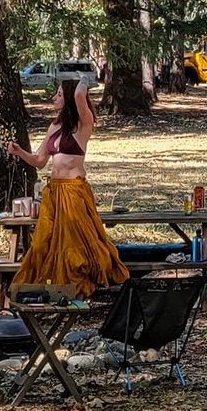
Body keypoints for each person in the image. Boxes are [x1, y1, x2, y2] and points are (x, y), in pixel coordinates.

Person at [11, 77, 129, 297]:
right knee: (43, 242)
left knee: (73, 244)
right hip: (53, 192)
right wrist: (20, 152)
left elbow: (78, 95)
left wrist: (84, 79)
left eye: (59, 94)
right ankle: (47, 288)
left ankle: (73, 289)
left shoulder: (83, 123)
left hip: (73, 190)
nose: (54, 98)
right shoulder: (54, 126)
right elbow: (39, 161)